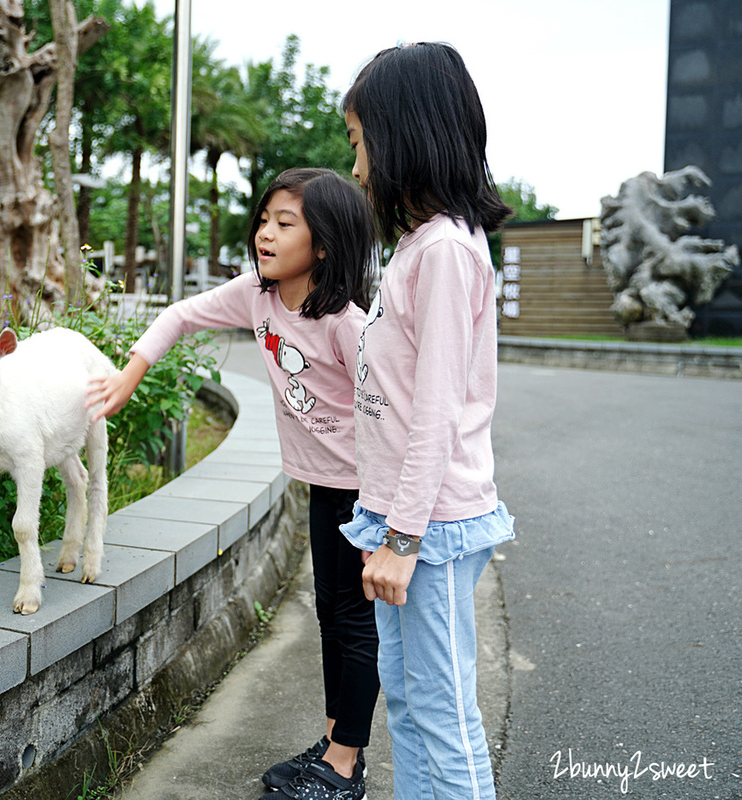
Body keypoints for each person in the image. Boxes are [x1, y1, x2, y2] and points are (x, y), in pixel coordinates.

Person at [87, 168, 378, 800]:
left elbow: (395, 413)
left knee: (352, 623)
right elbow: (179, 316)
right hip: (325, 484)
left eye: (285, 223)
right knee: (331, 614)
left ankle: (347, 765)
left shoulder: (346, 325)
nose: (265, 234)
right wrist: (129, 374)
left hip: (366, 491)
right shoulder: (257, 295)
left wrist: (397, 516)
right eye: (264, 219)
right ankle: (335, 742)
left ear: (323, 244)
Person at [340, 42, 516, 800]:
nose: (355, 168)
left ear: (403, 135)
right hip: (402, 521)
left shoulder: (445, 251)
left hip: (430, 531)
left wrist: (404, 541)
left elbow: (438, 412)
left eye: (359, 143)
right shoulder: (419, 247)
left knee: (443, 715)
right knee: (409, 705)